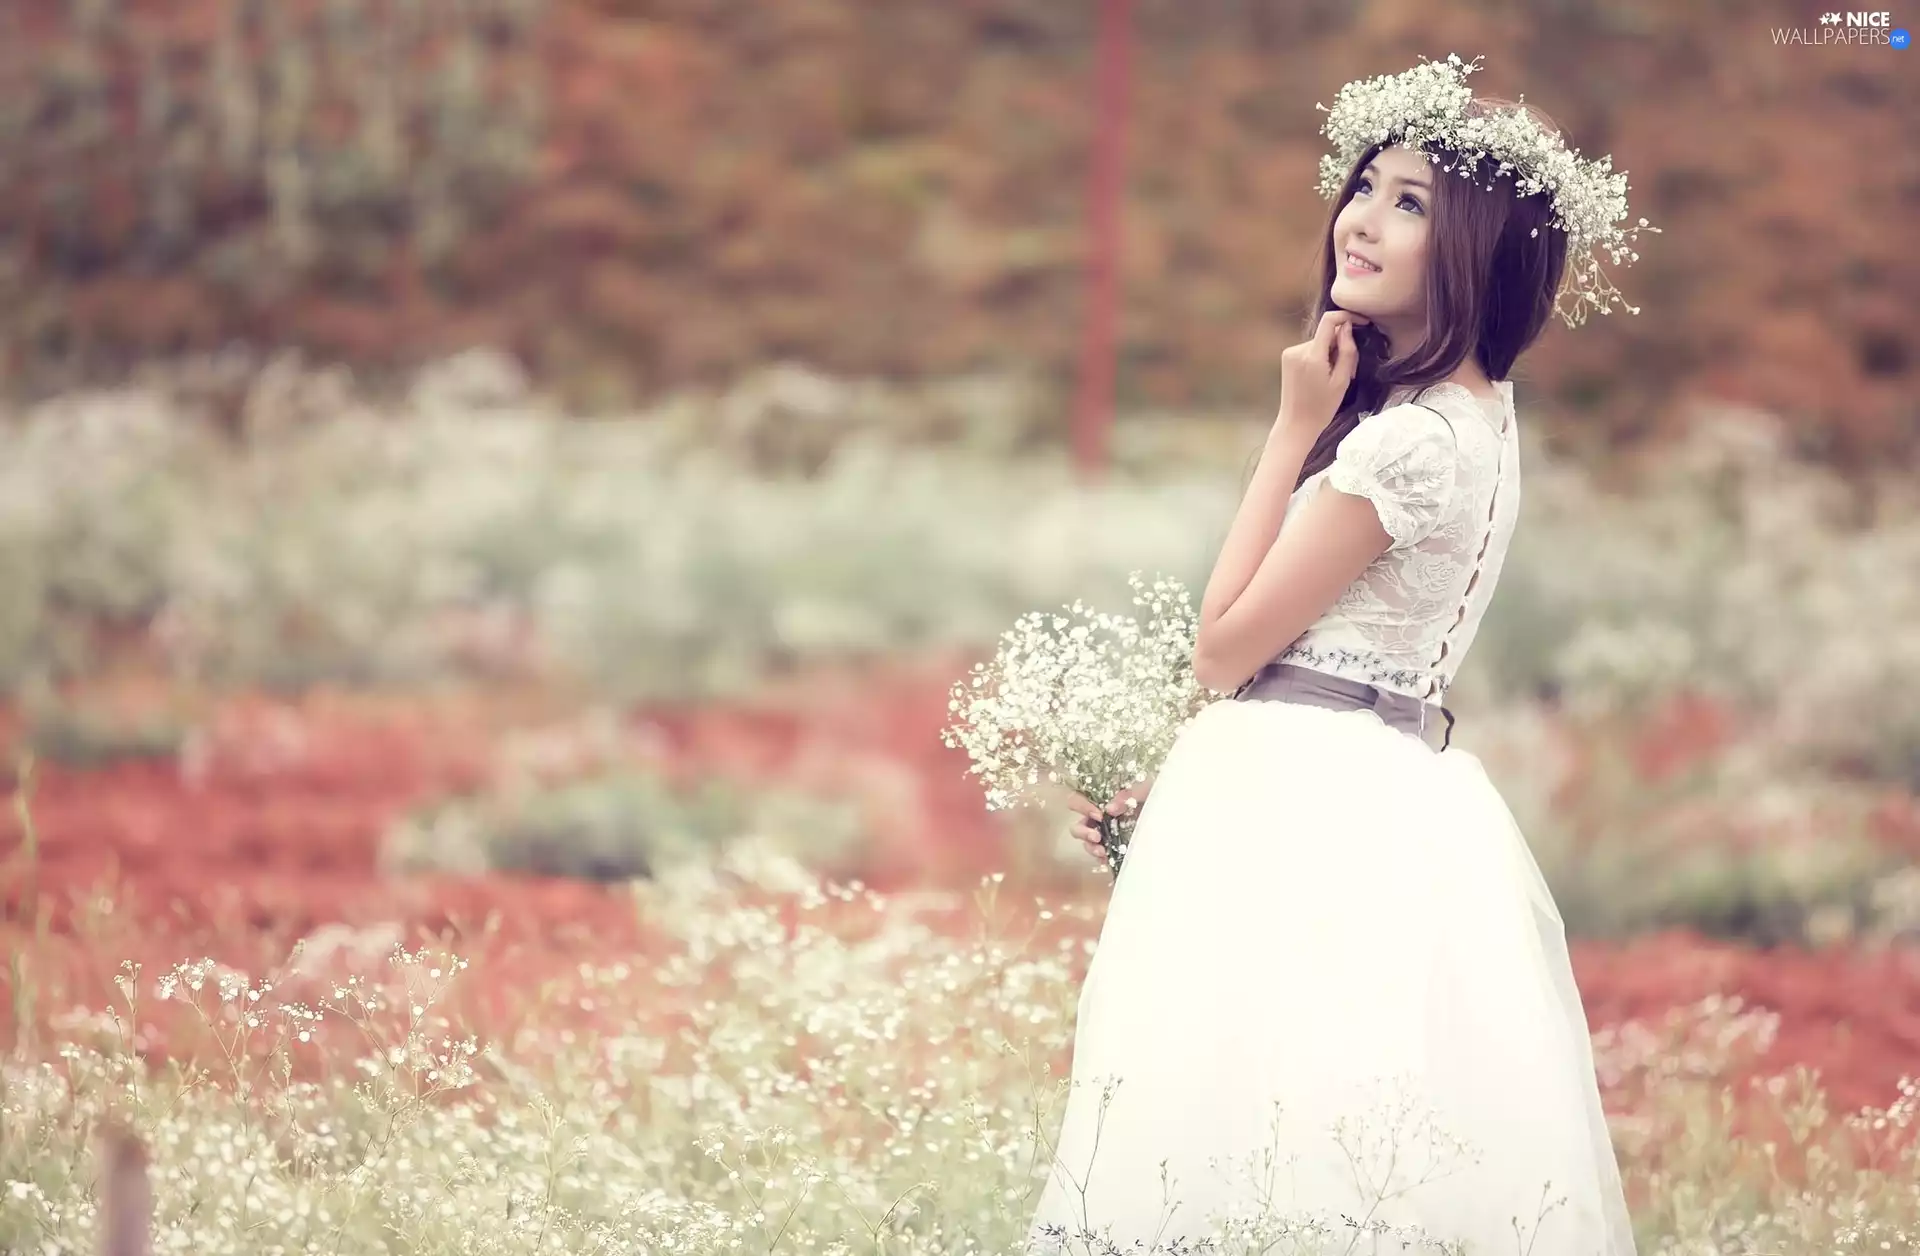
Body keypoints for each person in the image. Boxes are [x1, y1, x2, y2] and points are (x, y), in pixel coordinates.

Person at [1032, 54, 1654, 1255]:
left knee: (1250, 1104)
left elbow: (1223, 647)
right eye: (1365, 187)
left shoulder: (1408, 445)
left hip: (1310, 783)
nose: (1361, 220)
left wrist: (1292, 431)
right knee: (1332, 1103)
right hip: (1380, 772)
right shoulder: (1481, 417)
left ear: (1476, 248)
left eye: (1410, 202)